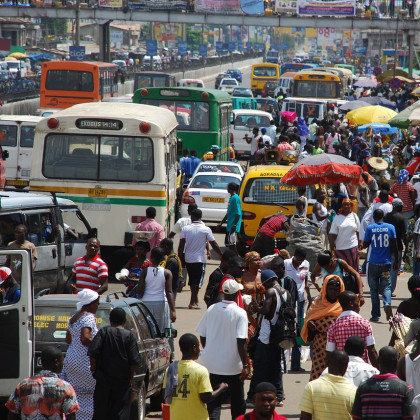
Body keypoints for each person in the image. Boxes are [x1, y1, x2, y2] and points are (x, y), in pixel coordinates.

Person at [196, 279, 248, 420]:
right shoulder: (240, 313)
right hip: (233, 367)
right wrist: (246, 365)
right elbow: (241, 341)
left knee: (213, 402)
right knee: (237, 402)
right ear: (237, 293)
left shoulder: (211, 309)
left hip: (211, 364)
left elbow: (202, 334)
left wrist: (209, 349)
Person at [88, 307, 141, 420]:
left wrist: (93, 370)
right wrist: (130, 378)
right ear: (124, 321)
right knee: (121, 413)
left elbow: (93, 353)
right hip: (122, 383)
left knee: (101, 412)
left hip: (103, 381)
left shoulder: (103, 332)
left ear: (110, 320)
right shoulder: (130, 336)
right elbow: (134, 362)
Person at [247, 270, 289, 406]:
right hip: (279, 335)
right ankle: (279, 396)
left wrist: (255, 307)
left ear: (267, 281)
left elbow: (266, 311)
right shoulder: (286, 292)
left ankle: (252, 397)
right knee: (275, 366)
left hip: (267, 336)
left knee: (259, 366)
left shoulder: (271, 292)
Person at [163, 333, 228, 420]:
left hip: (175, 416)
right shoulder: (200, 370)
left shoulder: (170, 369)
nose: (199, 350)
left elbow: (165, 393)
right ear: (193, 348)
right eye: (198, 347)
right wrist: (221, 388)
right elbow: (206, 397)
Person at [5, 346, 79, 420]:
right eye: (62, 361)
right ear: (56, 362)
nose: (63, 364)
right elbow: (71, 416)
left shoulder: (23, 385)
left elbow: (12, 413)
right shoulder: (66, 387)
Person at [62, 289, 100, 420]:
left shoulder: (73, 318)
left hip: (71, 359)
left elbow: (68, 339)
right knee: (90, 394)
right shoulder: (88, 317)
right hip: (84, 361)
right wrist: (100, 346)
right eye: (97, 303)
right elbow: (85, 339)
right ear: (90, 303)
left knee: (76, 393)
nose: (98, 306)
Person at [351, 346, 415, 420]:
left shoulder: (362, 387)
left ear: (378, 361)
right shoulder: (406, 389)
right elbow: (409, 417)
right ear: (396, 363)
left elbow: (356, 417)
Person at [301, 275, 344, 380]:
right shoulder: (316, 303)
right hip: (319, 347)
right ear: (325, 288)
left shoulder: (343, 304)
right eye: (330, 289)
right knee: (318, 375)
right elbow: (308, 318)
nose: (333, 292)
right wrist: (310, 323)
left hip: (338, 347)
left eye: (336, 289)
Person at [178, 209, 223, 309]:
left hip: (188, 259)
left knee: (192, 280)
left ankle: (195, 300)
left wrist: (180, 258)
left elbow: (181, 245)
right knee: (197, 282)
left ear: (191, 217)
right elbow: (213, 243)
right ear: (200, 217)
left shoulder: (186, 228)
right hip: (199, 259)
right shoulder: (206, 229)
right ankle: (192, 302)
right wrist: (221, 254)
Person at [299, 349, 357, 420]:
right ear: (346, 367)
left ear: (327, 364)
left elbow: (304, 418)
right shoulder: (353, 391)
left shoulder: (312, 387)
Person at [362, 208, 397, 322]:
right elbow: (394, 246)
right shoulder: (391, 227)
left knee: (374, 290)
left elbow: (366, 244)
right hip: (386, 263)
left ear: (374, 217)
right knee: (386, 286)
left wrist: (365, 243)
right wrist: (396, 260)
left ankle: (376, 315)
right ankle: (387, 303)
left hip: (373, 263)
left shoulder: (370, 228)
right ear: (383, 216)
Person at [326, 291, 378, 368]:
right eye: (357, 302)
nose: (359, 305)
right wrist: (379, 372)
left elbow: (330, 353)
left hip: (342, 370)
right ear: (351, 303)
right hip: (362, 369)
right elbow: (371, 350)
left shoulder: (333, 326)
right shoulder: (364, 323)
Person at [137, 247, 176, 332]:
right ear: (163, 258)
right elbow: (169, 292)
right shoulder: (167, 273)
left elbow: (140, 291)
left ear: (151, 258)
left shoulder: (144, 272)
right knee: (163, 330)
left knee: (148, 329)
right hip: (161, 303)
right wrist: (173, 310)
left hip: (146, 303)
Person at [284, 248, 311, 372]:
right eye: (298, 260)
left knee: (299, 330)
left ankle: (295, 364)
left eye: (302, 261)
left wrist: (308, 295)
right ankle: (282, 364)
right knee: (287, 330)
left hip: (300, 301)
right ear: (294, 256)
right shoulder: (286, 264)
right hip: (288, 302)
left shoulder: (306, 264)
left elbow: (305, 281)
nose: (300, 263)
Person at [329, 199, 361, 273]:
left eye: (349, 204)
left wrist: (360, 242)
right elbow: (333, 232)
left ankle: (355, 283)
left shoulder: (354, 216)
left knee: (353, 269)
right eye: (345, 204)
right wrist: (332, 243)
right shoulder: (337, 217)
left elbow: (358, 231)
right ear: (342, 206)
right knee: (341, 270)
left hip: (352, 246)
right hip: (340, 247)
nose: (347, 206)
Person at [384, 198, 408, 294]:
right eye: (401, 206)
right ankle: (389, 290)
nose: (402, 208)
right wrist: (406, 248)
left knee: (385, 269)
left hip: (386, 247)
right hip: (397, 247)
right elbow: (404, 235)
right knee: (394, 270)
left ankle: (384, 288)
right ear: (398, 206)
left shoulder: (386, 217)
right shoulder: (401, 218)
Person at [217, 182, 242, 254]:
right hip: (230, 225)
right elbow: (228, 213)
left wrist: (235, 224)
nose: (227, 189)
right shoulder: (231, 198)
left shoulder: (235, 198)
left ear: (231, 188)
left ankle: (237, 258)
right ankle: (233, 258)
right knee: (228, 243)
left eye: (227, 187)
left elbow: (238, 213)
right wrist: (221, 223)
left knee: (231, 244)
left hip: (233, 225)